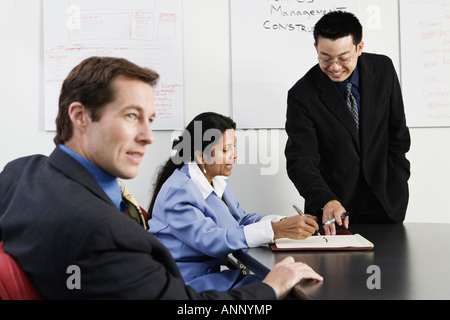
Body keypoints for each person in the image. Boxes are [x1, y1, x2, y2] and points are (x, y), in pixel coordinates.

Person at [0, 56, 322, 300]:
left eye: (150, 120)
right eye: (131, 116)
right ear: (80, 117)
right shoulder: (103, 233)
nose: (148, 136)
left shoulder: (21, 172)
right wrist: (270, 290)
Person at [148, 112, 319, 292]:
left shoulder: (217, 181)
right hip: (185, 284)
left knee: (284, 285)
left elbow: (240, 220)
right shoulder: (179, 191)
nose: (235, 155)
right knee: (279, 288)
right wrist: (274, 231)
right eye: (225, 150)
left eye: (233, 147)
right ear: (200, 156)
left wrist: (282, 222)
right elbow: (210, 239)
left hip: (209, 275)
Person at [285, 11, 411, 235]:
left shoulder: (383, 70)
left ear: (359, 48)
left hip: (387, 205)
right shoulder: (302, 95)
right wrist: (326, 201)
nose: (334, 67)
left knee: (391, 269)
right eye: (325, 58)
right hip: (333, 214)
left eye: (344, 58)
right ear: (316, 49)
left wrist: (398, 177)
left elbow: (397, 133)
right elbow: (300, 160)